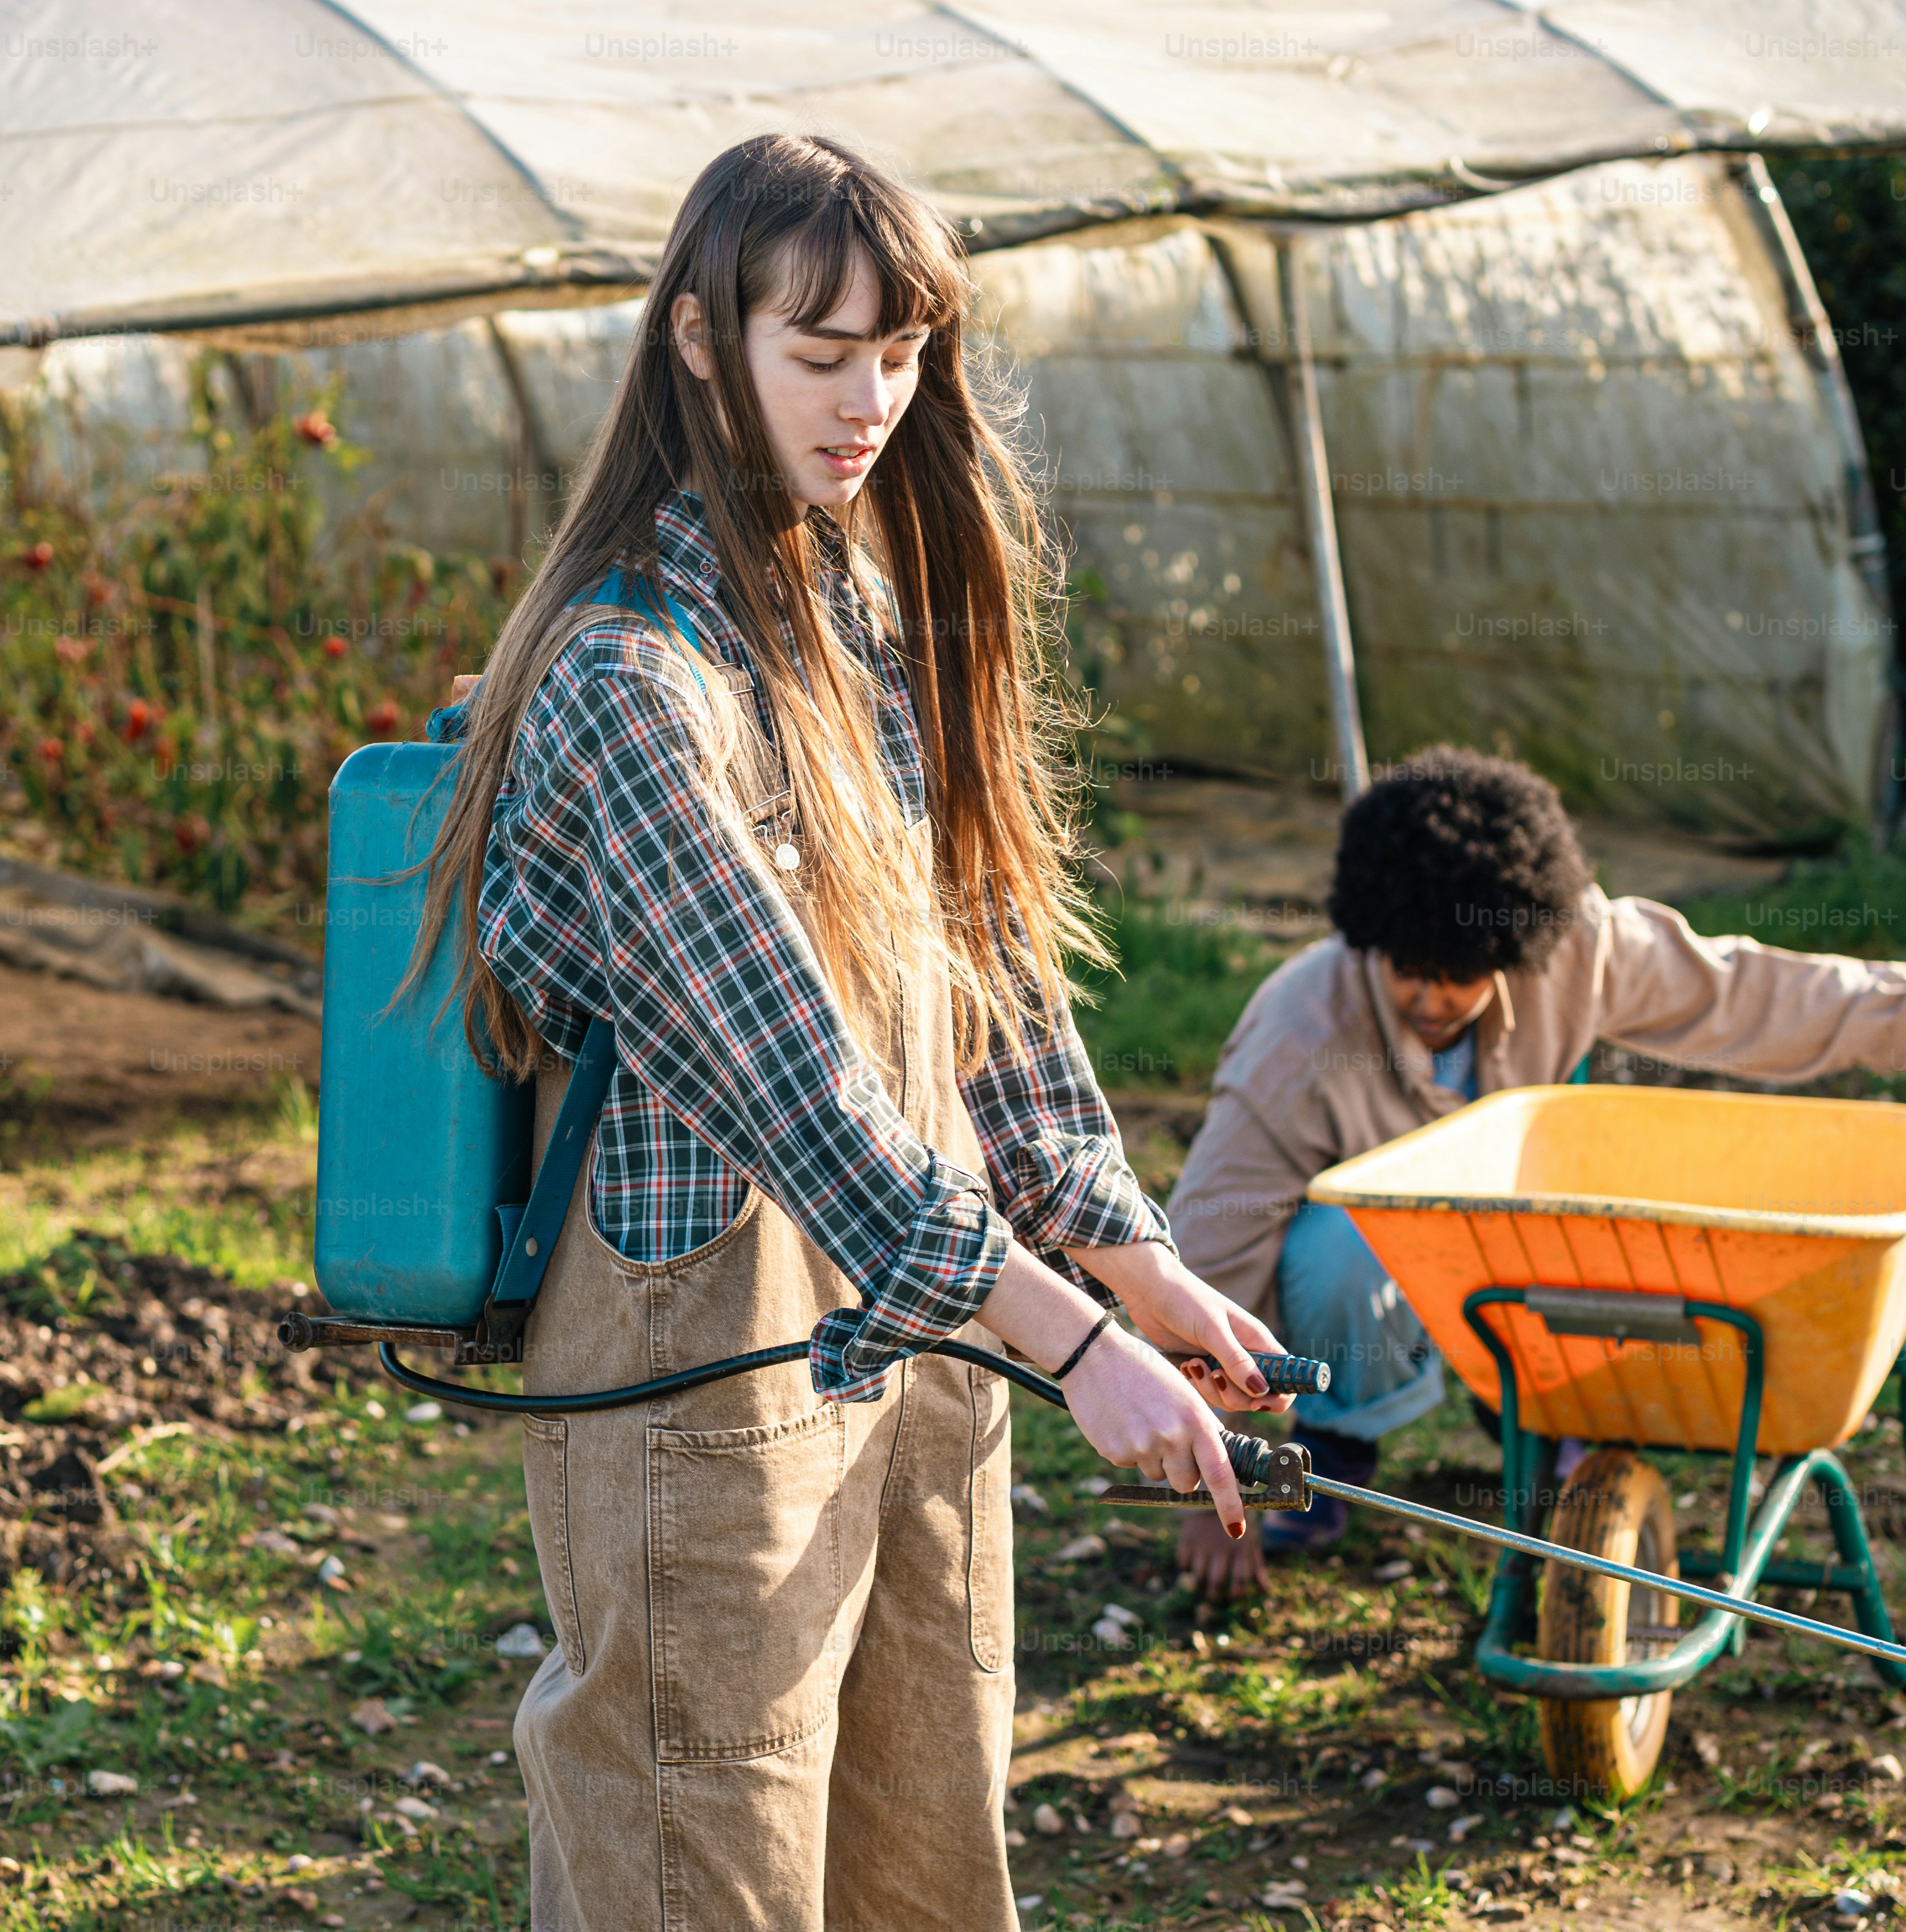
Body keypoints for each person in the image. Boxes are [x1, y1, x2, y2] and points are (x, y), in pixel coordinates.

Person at [415, 134, 1292, 1930]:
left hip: (925, 1342)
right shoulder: (626, 682)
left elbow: (980, 976)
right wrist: (1073, 1344)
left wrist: (1132, 1260)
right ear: (697, 340)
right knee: (700, 1851)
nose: (871, 400)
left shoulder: (851, 604)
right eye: (820, 353)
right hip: (704, 1363)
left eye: (900, 351)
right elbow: (804, 1094)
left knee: (924, 1841)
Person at [1165, 747, 1906, 1598]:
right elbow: (1212, 1245)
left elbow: (1740, 992)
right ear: (1371, 934)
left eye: (1464, 972)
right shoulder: (1298, 1035)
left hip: (1516, 1244)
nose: (1433, 996)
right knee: (1340, 1243)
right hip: (1366, 1276)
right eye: (1412, 969)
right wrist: (1227, 1480)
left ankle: (1543, 1415)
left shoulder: (1577, 949)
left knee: (1599, 1211)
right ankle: (1340, 1436)